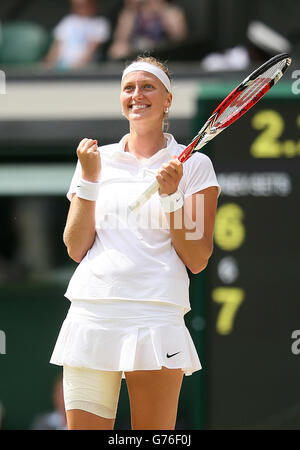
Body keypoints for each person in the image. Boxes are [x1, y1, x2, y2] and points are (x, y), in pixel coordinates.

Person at [50, 55, 220, 430]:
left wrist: (172, 196)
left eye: (148, 87)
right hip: (92, 314)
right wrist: (91, 179)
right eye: (129, 87)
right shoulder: (96, 160)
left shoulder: (194, 166)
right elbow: (75, 247)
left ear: (167, 99)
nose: (136, 95)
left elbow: (197, 256)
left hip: (155, 316)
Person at [108, 0, 187, 60]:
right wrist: (131, 10)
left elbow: (179, 37)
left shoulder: (171, 11)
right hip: (137, 49)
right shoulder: (131, 13)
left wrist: (161, 11)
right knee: (118, 50)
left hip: (162, 48)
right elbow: (121, 39)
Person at [44, 0, 111, 70]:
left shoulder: (100, 23)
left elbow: (92, 50)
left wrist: (76, 67)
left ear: (92, 5)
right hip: (61, 67)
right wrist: (49, 65)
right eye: (76, 6)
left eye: (82, 5)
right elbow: (56, 47)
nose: (79, 8)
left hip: (85, 70)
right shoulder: (67, 21)